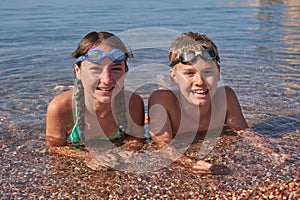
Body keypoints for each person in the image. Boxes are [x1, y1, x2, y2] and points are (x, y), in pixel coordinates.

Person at [148, 32, 280, 174]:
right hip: (168, 97)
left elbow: (244, 131)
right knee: (163, 92)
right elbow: (161, 144)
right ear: (174, 76)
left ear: (218, 72)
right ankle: (161, 81)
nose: (200, 82)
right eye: (189, 73)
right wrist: (189, 164)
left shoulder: (226, 97)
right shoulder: (163, 102)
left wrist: (272, 152)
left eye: (208, 72)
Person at [46, 31, 145, 159]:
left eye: (115, 69)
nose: (107, 80)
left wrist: (126, 153)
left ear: (125, 72)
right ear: (78, 71)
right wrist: (91, 157)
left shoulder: (133, 103)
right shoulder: (61, 108)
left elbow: (136, 139)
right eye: (95, 69)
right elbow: (55, 148)